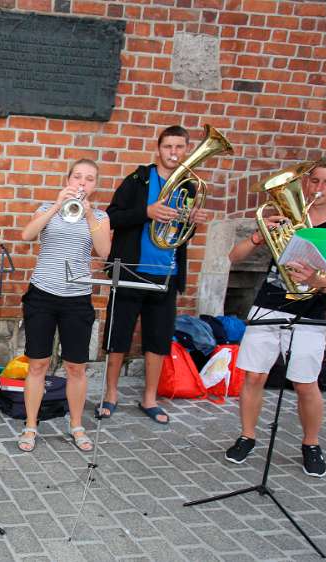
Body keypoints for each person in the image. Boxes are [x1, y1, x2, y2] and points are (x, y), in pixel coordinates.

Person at [224, 156, 326, 477]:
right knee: (254, 377)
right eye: (314, 180)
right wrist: (258, 236)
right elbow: (233, 257)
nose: (318, 188)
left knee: (305, 383)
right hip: (268, 305)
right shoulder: (286, 216)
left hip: (310, 313)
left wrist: (317, 280)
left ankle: (311, 443)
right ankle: (247, 436)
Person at [98, 125, 208, 425]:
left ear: (186, 150)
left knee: (158, 339)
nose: (173, 152)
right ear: (158, 149)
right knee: (118, 335)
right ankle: (110, 394)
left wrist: (192, 221)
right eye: (168, 146)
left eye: (179, 147)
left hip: (166, 273)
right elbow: (112, 216)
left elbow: (181, 234)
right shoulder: (138, 180)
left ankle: (149, 398)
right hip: (131, 271)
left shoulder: (188, 187)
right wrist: (146, 213)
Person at [17, 159, 111, 452]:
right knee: (37, 364)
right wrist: (58, 206)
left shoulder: (100, 216)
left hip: (77, 298)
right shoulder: (48, 208)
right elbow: (27, 235)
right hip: (42, 294)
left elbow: (104, 251)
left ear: (95, 186)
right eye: (78, 177)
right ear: (68, 180)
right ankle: (30, 425)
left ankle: (77, 425)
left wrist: (88, 214)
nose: (82, 182)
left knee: (76, 367)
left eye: (89, 179)